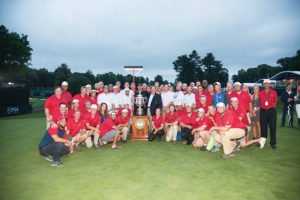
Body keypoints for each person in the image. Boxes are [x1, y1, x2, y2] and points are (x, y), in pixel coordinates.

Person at [259, 79, 277, 149]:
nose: (266, 85)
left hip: (271, 111)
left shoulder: (274, 92)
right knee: (263, 127)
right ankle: (263, 142)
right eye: (265, 83)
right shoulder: (261, 92)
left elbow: (275, 102)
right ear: (263, 85)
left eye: (268, 83)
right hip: (263, 111)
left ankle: (273, 143)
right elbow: (260, 101)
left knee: (272, 127)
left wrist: (270, 107)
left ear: (270, 84)